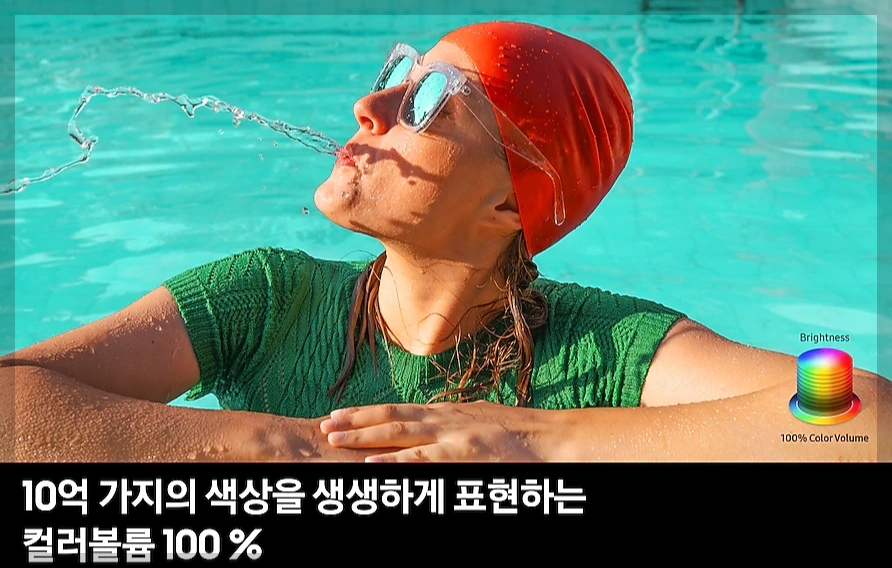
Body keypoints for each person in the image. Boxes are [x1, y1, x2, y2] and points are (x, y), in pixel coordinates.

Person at [4, 21, 887, 462]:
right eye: (397, 73)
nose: (370, 106)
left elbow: (860, 415)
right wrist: (291, 449)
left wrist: (533, 442)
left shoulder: (608, 349)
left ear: (510, 201)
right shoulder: (266, 298)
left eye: (430, 102)